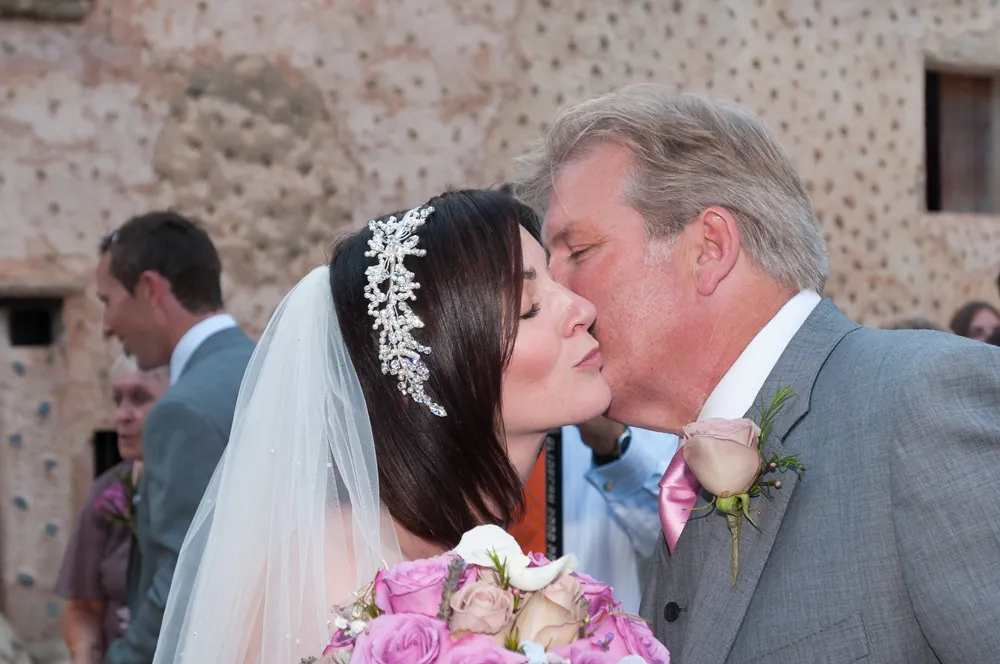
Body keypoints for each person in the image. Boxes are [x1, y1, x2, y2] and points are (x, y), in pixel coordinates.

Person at [513, 84, 1000, 663]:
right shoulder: (683, 482)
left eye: (581, 251)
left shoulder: (923, 400)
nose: (560, 296)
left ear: (710, 249)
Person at [152, 189, 613, 663]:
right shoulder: (335, 580)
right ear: (439, 372)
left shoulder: (469, 554)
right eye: (528, 305)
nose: (583, 310)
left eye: (559, 284)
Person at [95, 211, 255, 664]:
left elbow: (181, 580)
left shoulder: (180, 410)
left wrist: (124, 657)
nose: (106, 325)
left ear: (150, 289)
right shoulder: (262, 365)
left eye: (107, 301)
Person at [56, 356, 168, 664]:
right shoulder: (108, 492)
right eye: (117, 400)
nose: (122, 415)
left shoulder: (197, 493)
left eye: (140, 399)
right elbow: (82, 609)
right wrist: (84, 653)